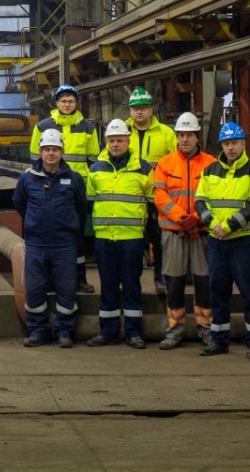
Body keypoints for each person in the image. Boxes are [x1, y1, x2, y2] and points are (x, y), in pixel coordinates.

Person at [13, 128, 88, 349]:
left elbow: (81, 208)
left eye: (55, 149)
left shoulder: (73, 178)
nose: (51, 154)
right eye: (47, 149)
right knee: (35, 288)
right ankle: (38, 331)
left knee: (67, 288)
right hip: (36, 243)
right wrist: (34, 225)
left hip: (65, 244)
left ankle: (65, 330)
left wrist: (69, 228)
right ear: (40, 151)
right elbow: (19, 203)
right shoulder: (27, 178)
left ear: (62, 151)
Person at [195, 122, 250, 356]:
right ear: (222, 146)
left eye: (235, 143)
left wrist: (227, 226)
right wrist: (212, 224)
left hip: (243, 241)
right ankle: (219, 340)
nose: (231, 148)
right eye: (227, 144)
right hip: (217, 242)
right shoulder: (210, 171)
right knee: (218, 291)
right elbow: (200, 202)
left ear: (243, 144)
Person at [86, 118, 154, 349]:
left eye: (120, 140)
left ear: (128, 140)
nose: (115, 144)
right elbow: (90, 202)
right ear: (106, 141)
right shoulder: (95, 169)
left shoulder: (144, 169)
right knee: (108, 284)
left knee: (132, 285)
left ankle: (134, 333)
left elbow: (153, 202)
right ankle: (108, 332)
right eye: (112, 140)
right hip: (105, 238)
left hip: (132, 238)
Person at [152, 112, 217, 350]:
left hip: (201, 232)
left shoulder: (211, 164)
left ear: (196, 135)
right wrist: (181, 218)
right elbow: (159, 196)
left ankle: (206, 329)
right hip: (174, 231)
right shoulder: (165, 163)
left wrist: (198, 218)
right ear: (177, 136)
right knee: (174, 282)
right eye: (181, 134)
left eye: (189, 134)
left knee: (204, 282)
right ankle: (174, 330)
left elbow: (215, 196)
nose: (185, 139)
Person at [29, 84, 99, 294]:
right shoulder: (43, 126)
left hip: (77, 188)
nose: (67, 105)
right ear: (56, 103)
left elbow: (94, 159)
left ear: (77, 103)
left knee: (76, 236)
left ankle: (80, 279)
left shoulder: (88, 127)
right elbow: (35, 158)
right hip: (50, 187)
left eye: (70, 101)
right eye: (63, 101)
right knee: (52, 235)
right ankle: (52, 279)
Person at [126, 87, 177, 297]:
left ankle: (160, 278)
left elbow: (176, 163)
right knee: (135, 242)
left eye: (144, 108)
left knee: (159, 239)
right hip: (131, 196)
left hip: (158, 196)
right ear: (130, 110)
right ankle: (133, 282)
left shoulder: (166, 134)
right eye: (136, 108)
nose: (140, 112)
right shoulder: (121, 131)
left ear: (151, 110)